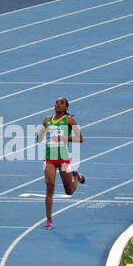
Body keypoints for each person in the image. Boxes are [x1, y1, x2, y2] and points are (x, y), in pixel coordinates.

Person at [37, 97, 85, 230]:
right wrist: (43, 132)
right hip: (50, 158)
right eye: (57, 102)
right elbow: (38, 139)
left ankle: (76, 177)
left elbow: (80, 139)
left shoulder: (69, 120)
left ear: (66, 108)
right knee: (50, 186)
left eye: (61, 103)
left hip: (64, 158)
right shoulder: (47, 120)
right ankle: (49, 221)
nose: (58, 104)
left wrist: (62, 137)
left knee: (69, 191)